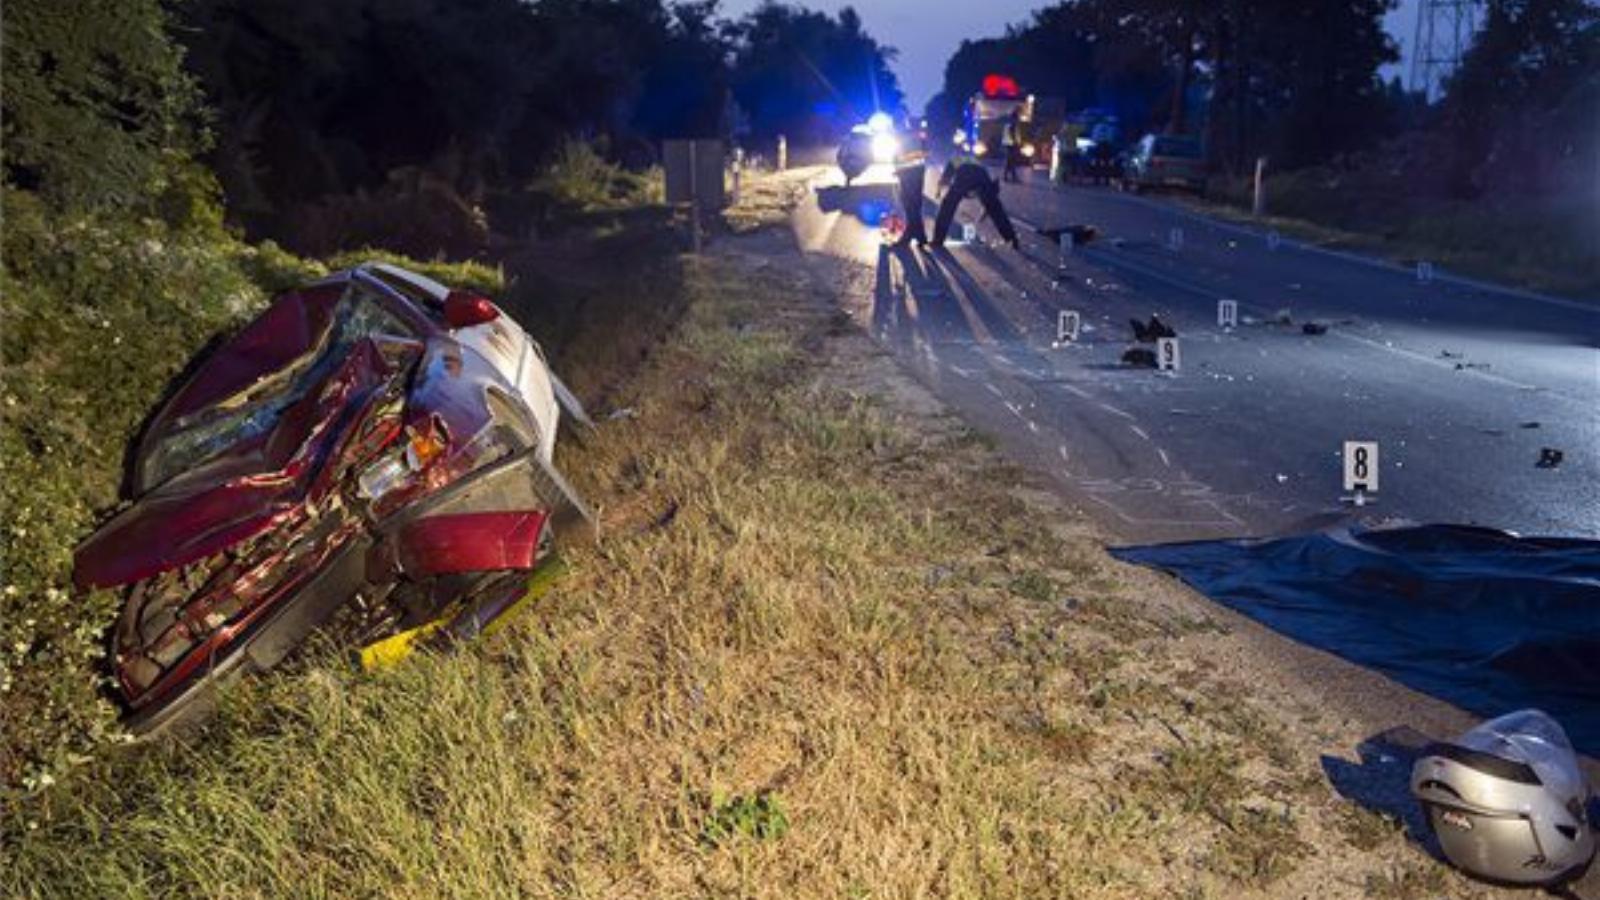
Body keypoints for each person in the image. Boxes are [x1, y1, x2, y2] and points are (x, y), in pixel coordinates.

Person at [930, 153, 1020, 249]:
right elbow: (991, 199)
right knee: (996, 210)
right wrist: (985, 211)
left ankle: (938, 240)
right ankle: (1011, 237)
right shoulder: (977, 162)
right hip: (982, 179)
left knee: (947, 208)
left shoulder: (954, 160)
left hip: (963, 179)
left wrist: (938, 192)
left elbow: (944, 179)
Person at [891, 122, 929, 248]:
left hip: (910, 175)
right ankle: (920, 235)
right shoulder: (914, 134)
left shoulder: (907, 136)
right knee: (913, 205)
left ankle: (909, 236)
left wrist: (901, 169)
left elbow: (909, 157)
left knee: (910, 204)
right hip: (913, 173)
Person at [1001, 109, 1023, 183]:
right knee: (1011, 160)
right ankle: (1011, 177)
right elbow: (1012, 132)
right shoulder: (1013, 122)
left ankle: (1009, 177)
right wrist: (1015, 141)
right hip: (1011, 144)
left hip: (1008, 143)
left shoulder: (1008, 122)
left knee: (1010, 161)